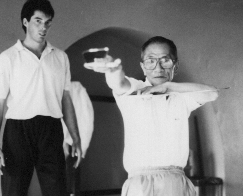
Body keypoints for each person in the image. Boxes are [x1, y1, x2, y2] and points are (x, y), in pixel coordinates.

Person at [89, 36, 219, 196]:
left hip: (175, 182)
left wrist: (168, 86)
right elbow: (118, 83)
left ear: (175, 66)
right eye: (151, 61)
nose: (158, 68)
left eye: (165, 60)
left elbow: (212, 93)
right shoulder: (136, 89)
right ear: (143, 67)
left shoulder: (182, 97)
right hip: (140, 184)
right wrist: (112, 69)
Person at [0, 0, 82, 196]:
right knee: (14, 190)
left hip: (51, 129)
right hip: (18, 130)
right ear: (25, 22)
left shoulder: (60, 57)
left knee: (58, 191)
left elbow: (66, 100)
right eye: (38, 21)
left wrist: (76, 137)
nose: (43, 28)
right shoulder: (8, 58)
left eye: (47, 23)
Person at [62, 81, 94, 196]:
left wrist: (79, 144)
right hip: (55, 141)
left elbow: (86, 117)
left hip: (72, 143)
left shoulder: (76, 88)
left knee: (71, 182)